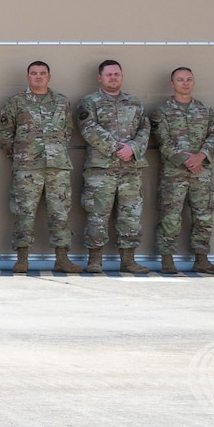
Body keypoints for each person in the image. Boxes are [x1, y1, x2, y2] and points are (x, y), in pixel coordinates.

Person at [0, 61, 79, 274]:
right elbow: (6, 133)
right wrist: (21, 156)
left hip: (57, 166)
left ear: (49, 77)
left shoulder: (61, 101)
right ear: (28, 77)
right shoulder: (16, 102)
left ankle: (62, 259)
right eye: (34, 73)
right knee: (23, 213)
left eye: (42, 73)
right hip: (27, 168)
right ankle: (22, 259)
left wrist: (55, 151)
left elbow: (67, 130)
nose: (38, 76)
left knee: (60, 213)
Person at [75, 59, 150, 275]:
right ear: (100, 78)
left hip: (130, 169)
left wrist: (132, 148)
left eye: (117, 74)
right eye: (109, 75)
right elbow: (89, 128)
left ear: (122, 77)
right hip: (101, 170)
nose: (113, 78)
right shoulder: (89, 102)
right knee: (97, 215)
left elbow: (145, 130)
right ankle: (95, 261)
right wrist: (118, 148)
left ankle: (128, 261)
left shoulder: (135, 103)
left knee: (130, 216)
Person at [148, 67, 214, 275]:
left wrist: (201, 156)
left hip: (201, 172)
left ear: (193, 82)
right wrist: (187, 160)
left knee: (203, 216)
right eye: (180, 80)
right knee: (170, 216)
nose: (185, 83)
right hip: (173, 174)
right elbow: (163, 141)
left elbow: (213, 136)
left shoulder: (205, 110)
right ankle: (167, 260)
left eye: (189, 79)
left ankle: (201, 259)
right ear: (172, 84)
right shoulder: (161, 111)